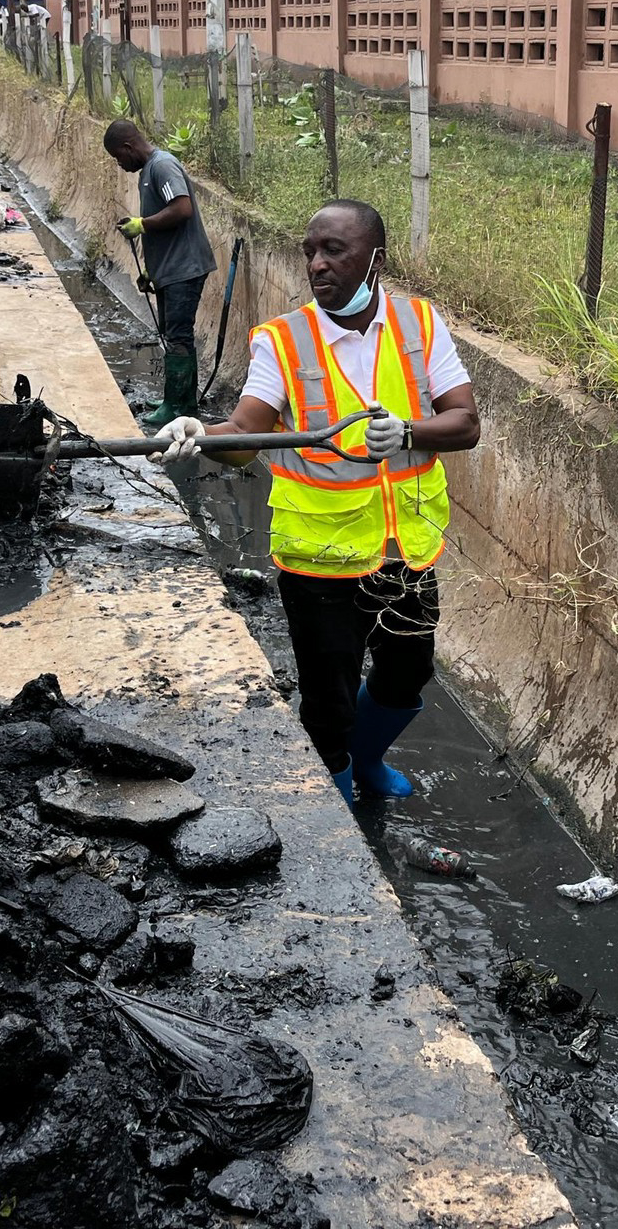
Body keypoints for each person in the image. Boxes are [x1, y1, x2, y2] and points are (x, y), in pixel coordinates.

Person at [160, 200, 481, 803]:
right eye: (311, 251)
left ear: (375, 259)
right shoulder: (283, 342)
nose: (317, 264)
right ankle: (339, 818)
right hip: (319, 561)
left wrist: (408, 432)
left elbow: (465, 423)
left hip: (403, 552)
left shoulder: (420, 325)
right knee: (327, 699)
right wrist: (201, 436)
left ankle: (367, 761)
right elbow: (246, 435)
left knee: (407, 673)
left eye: (335, 250)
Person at [104, 118, 213, 424]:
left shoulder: (162, 166)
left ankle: (178, 408)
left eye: (118, 157)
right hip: (170, 267)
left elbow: (182, 209)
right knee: (174, 333)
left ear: (128, 147)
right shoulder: (147, 172)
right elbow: (163, 226)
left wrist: (141, 224)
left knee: (178, 335)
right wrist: (151, 271)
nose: (119, 163)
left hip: (185, 267)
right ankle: (178, 400)